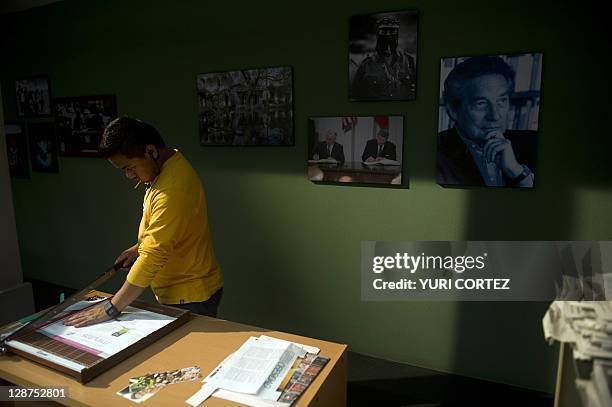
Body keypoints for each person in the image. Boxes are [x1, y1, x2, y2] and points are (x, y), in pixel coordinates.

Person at [64, 117, 223, 327]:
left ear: (151, 151)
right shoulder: (169, 165)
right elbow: (170, 228)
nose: (129, 176)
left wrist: (112, 306)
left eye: (130, 167)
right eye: (123, 170)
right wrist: (139, 247)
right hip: (182, 287)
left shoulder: (172, 189)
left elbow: (154, 255)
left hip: (190, 294)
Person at [437, 56, 537, 187]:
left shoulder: (534, 142)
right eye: (481, 104)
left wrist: (517, 172)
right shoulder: (434, 153)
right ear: (453, 110)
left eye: (501, 101)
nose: (495, 116)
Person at [351, 17, 416, 100]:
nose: (388, 39)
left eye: (392, 34)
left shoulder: (409, 61)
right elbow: (356, 95)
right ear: (379, 38)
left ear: (396, 38)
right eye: (384, 33)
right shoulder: (366, 64)